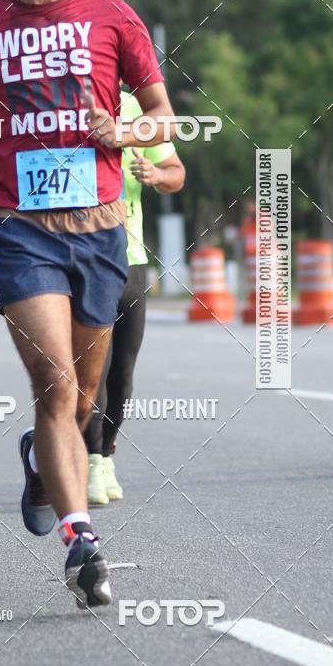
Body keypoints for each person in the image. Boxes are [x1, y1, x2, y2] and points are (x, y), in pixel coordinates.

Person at [0, 0, 175, 608]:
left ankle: (43, 467)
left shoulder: (113, 17)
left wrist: (124, 133)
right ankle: (82, 543)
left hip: (102, 227)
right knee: (58, 386)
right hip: (20, 229)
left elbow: (163, 116)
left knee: (83, 400)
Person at [84, 90, 186, 505]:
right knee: (94, 369)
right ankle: (91, 462)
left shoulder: (136, 110)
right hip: (85, 260)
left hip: (132, 258)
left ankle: (106, 452)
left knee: (122, 374)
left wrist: (157, 177)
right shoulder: (61, 102)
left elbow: (175, 171)